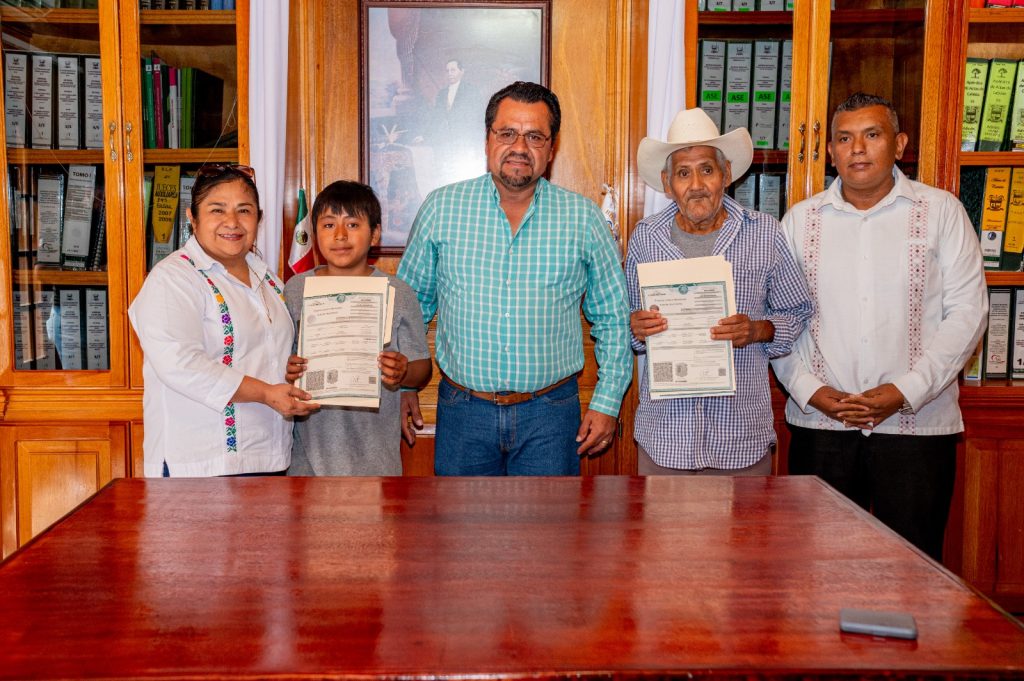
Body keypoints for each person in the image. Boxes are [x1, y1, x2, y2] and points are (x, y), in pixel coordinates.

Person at [771, 93, 988, 561]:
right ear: (829, 151)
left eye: (872, 135)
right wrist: (809, 390)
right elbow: (780, 319)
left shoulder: (942, 212)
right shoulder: (799, 221)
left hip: (916, 427)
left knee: (912, 570)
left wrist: (906, 390)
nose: (858, 149)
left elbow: (969, 313)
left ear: (900, 144)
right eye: (845, 139)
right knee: (816, 570)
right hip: (821, 426)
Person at [398, 81, 631, 476]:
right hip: (462, 413)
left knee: (547, 536)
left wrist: (607, 402)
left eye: (534, 135)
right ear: (488, 139)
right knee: (459, 536)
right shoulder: (441, 208)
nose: (519, 147)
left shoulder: (584, 218)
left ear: (551, 147)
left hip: (551, 417)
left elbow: (613, 317)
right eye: (507, 133)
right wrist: (403, 386)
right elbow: (409, 309)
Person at [627, 107, 814, 475]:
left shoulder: (765, 233)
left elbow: (799, 312)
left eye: (707, 170)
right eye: (683, 173)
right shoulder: (646, 238)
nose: (696, 184)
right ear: (667, 184)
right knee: (662, 535)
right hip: (665, 437)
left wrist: (759, 330)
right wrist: (635, 326)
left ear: (726, 174)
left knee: (743, 535)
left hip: (741, 436)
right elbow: (628, 325)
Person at [129, 164, 317, 477]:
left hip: (271, 456)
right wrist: (265, 393)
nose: (232, 222)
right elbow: (181, 364)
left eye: (244, 210)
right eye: (217, 210)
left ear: (259, 217)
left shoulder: (267, 278)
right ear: (192, 218)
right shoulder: (174, 278)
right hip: (200, 464)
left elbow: (270, 354)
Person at [284, 180, 431, 476]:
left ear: (375, 233)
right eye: (328, 225)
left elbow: (422, 368)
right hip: (308, 458)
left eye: (352, 224)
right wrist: (288, 368)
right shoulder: (296, 288)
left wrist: (403, 372)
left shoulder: (397, 291)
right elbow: (280, 360)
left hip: (376, 458)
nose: (339, 235)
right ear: (315, 233)